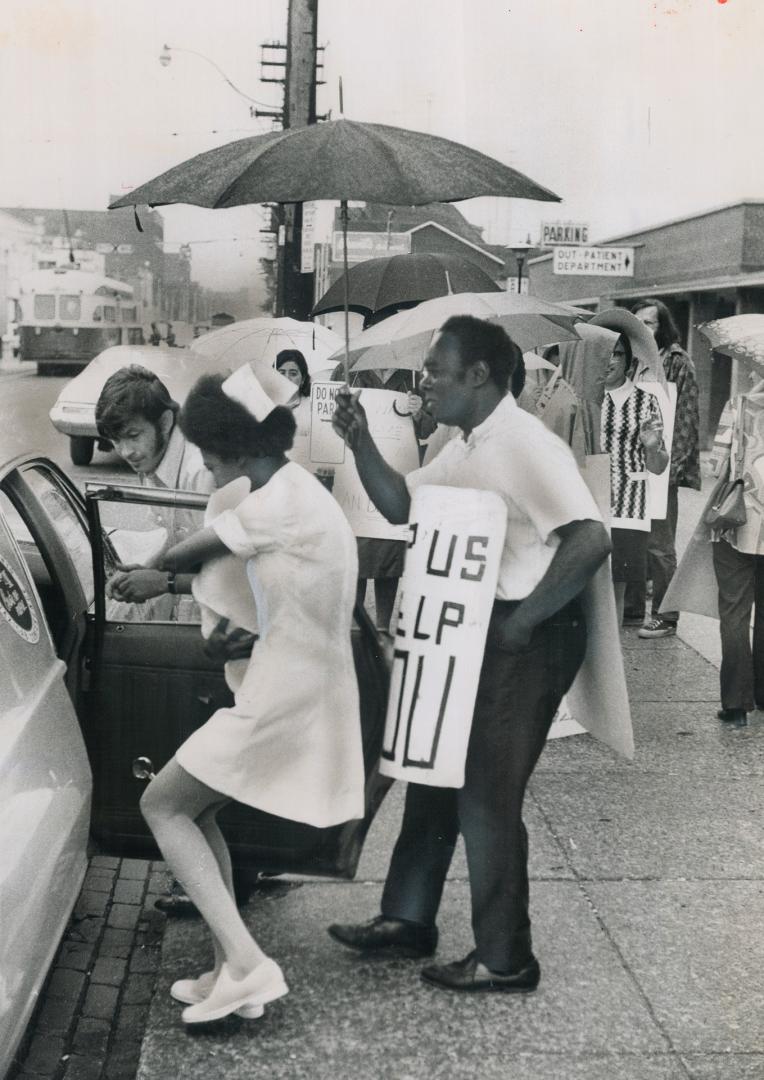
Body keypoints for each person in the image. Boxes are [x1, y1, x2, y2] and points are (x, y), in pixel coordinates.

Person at [328, 314, 611, 994]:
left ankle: (506, 958)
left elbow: (589, 539)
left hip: (526, 633)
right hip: (473, 631)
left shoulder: (525, 444)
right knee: (431, 772)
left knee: (486, 792)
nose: (425, 382)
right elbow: (401, 505)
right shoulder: (463, 443)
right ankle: (406, 918)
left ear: (478, 376)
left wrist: (522, 624)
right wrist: (360, 440)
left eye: (436, 371)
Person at [139, 371, 365, 1023]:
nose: (206, 465)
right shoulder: (293, 491)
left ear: (235, 446)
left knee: (163, 804)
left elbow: (197, 549)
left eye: (209, 452)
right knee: (197, 811)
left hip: (286, 691)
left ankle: (247, 965)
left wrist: (156, 576)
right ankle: (223, 970)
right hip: (298, 680)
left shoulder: (277, 503)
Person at [96, 365, 213, 615]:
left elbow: (234, 573)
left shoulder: (202, 471)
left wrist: (162, 582)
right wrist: (149, 569)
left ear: (165, 422)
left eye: (133, 435)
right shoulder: (154, 459)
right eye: (116, 440)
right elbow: (182, 535)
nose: (126, 452)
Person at [331, 361, 436, 630]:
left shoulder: (413, 377)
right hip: (354, 479)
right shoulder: (349, 372)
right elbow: (327, 418)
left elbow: (428, 429)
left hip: (395, 473)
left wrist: (418, 414)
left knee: (388, 552)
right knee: (356, 554)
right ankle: (355, 627)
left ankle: (381, 627)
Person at [630, 298, 700, 637]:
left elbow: (686, 416)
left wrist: (674, 468)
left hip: (662, 464)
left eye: (651, 322)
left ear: (664, 326)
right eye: (639, 322)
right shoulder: (631, 359)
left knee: (660, 543)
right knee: (631, 535)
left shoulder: (677, 361)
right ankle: (632, 608)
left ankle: (666, 614)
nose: (644, 328)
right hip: (632, 465)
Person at [600, 335, 669, 624]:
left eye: (616, 354)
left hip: (628, 504)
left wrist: (653, 446)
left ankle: (612, 656)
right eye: (603, 354)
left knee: (617, 586)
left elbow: (658, 465)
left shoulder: (644, 400)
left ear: (628, 361)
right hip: (588, 500)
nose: (609, 361)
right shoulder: (583, 396)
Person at [710, 370, 764, 727]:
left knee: (733, 614)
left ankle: (735, 704)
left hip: (739, 527)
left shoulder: (738, 404)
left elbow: (717, 466)